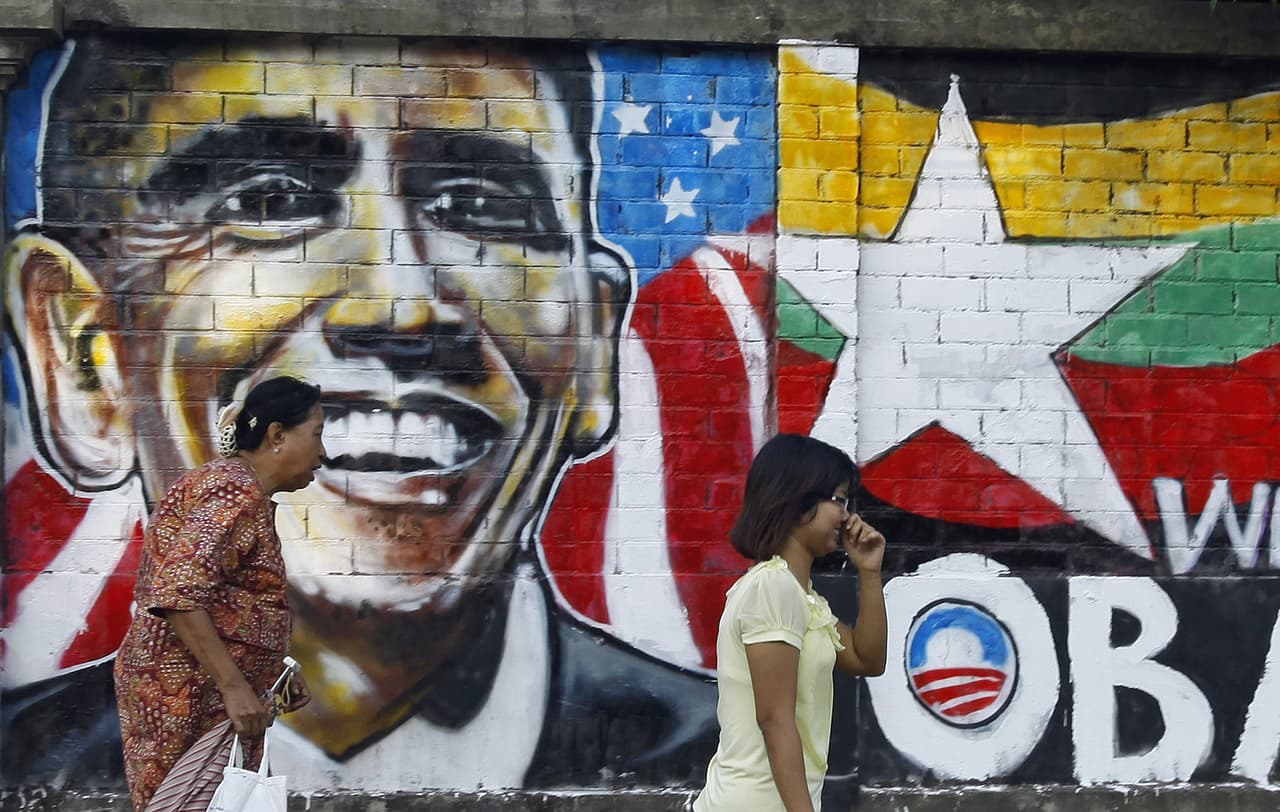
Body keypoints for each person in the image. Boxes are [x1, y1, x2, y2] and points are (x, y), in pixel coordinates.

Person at [2, 34, 718, 790]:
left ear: (594, 349)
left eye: (482, 207)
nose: (402, 306)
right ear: (82, 357)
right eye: (268, 203)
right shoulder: (39, 762)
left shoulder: (712, 757)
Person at [112, 376, 322, 810]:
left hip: (203, 693)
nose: (323, 453)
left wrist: (273, 671)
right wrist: (234, 687)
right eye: (317, 434)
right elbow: (178, 594)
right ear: (277, 436)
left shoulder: (239, 490)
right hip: (183, 695)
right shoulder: (233, 492)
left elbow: (227, 598)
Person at [693, 434, 888, 812]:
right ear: (800, 505)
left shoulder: (802, 597)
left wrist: (869, 571)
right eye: (838, 500)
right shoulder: (772, 588)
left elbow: (868, 659)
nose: (847, 516)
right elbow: (774, 718)